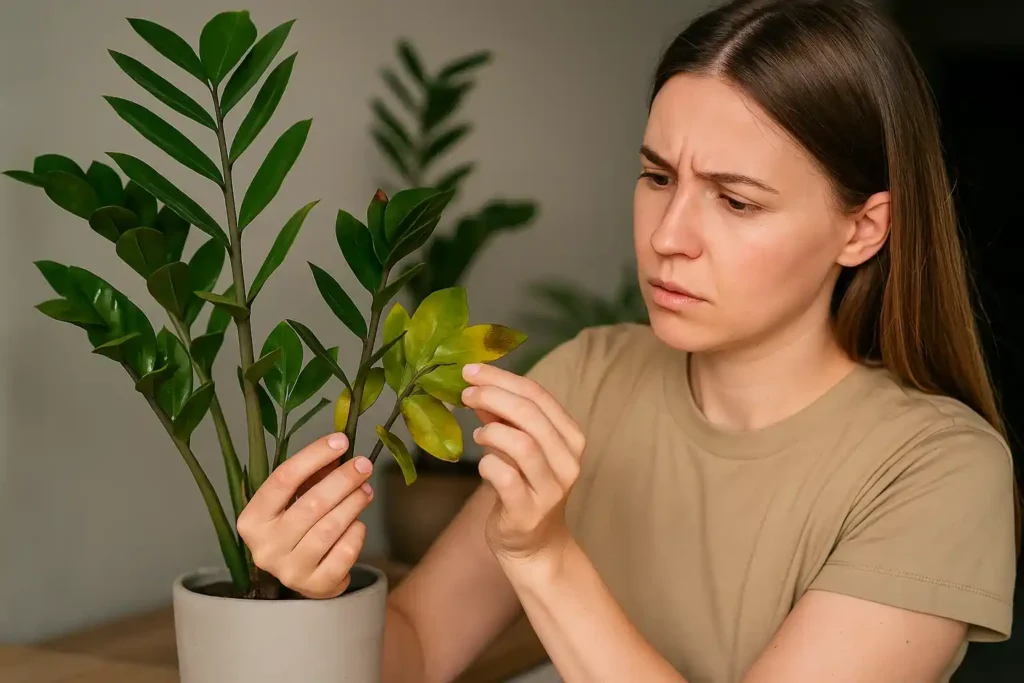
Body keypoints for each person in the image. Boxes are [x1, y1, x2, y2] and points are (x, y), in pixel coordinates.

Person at [235, 0, 1020, 680]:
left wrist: (545, 556)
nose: (669, 236)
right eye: (656, 177)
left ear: (862, 228)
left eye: (736, 201)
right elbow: (412, 651)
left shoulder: (940, 470)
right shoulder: (590, 377)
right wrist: (311, 593)